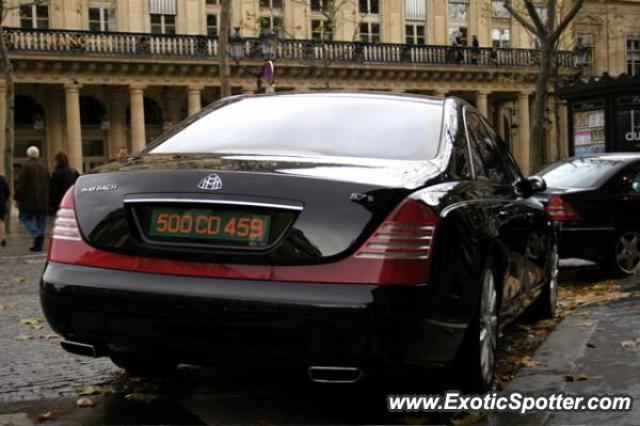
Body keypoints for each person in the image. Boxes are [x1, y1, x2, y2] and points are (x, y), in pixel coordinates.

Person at [14, 146, 50, 252]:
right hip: (43, 200)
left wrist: (17, 196)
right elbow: (49, 183)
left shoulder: (26, 167)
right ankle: (38, 245)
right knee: (41, 221)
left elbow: (21, 184)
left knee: (25, 218)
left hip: (29, 201)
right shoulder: (44, 167)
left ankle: (36, 234)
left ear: (29, 155)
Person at [0, 173, 9, 247]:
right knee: (1, 221)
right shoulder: (2, 178)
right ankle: (3, 238)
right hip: (1, 203)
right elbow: (7, 191)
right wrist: (4, 199)